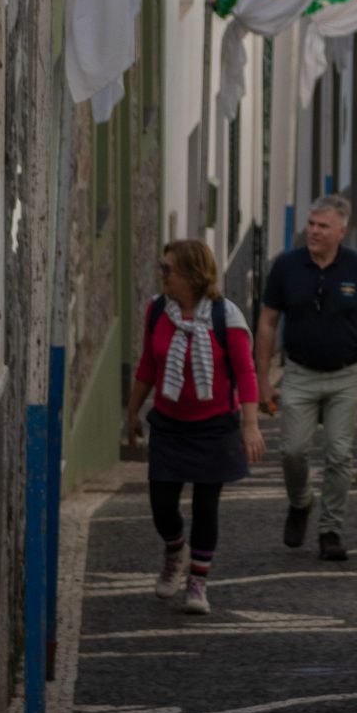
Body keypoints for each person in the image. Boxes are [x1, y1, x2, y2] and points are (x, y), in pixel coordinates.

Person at [125, 238, 263, 616]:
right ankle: (174, 550)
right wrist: (132, 412)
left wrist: (249, 426)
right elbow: (147, 367)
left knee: (206, 506)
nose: (161, 275)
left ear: (191, 274)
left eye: (167, 269)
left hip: (214, 425)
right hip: (169, 424)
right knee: (161, 505)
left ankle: (198, 582)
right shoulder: (157, 311)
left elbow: (245, 373)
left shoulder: (226, 317)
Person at [257, 195, 357, 564]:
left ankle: (330, 530)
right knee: (292, 451)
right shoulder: (287, 266)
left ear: (340, 230)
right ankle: (300, 502)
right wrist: (263, 378)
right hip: (298, 374)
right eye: (311, 224)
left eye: (322, 226)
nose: (313, 231)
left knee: (338, 454)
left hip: (347, 375)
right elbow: (268, 321)